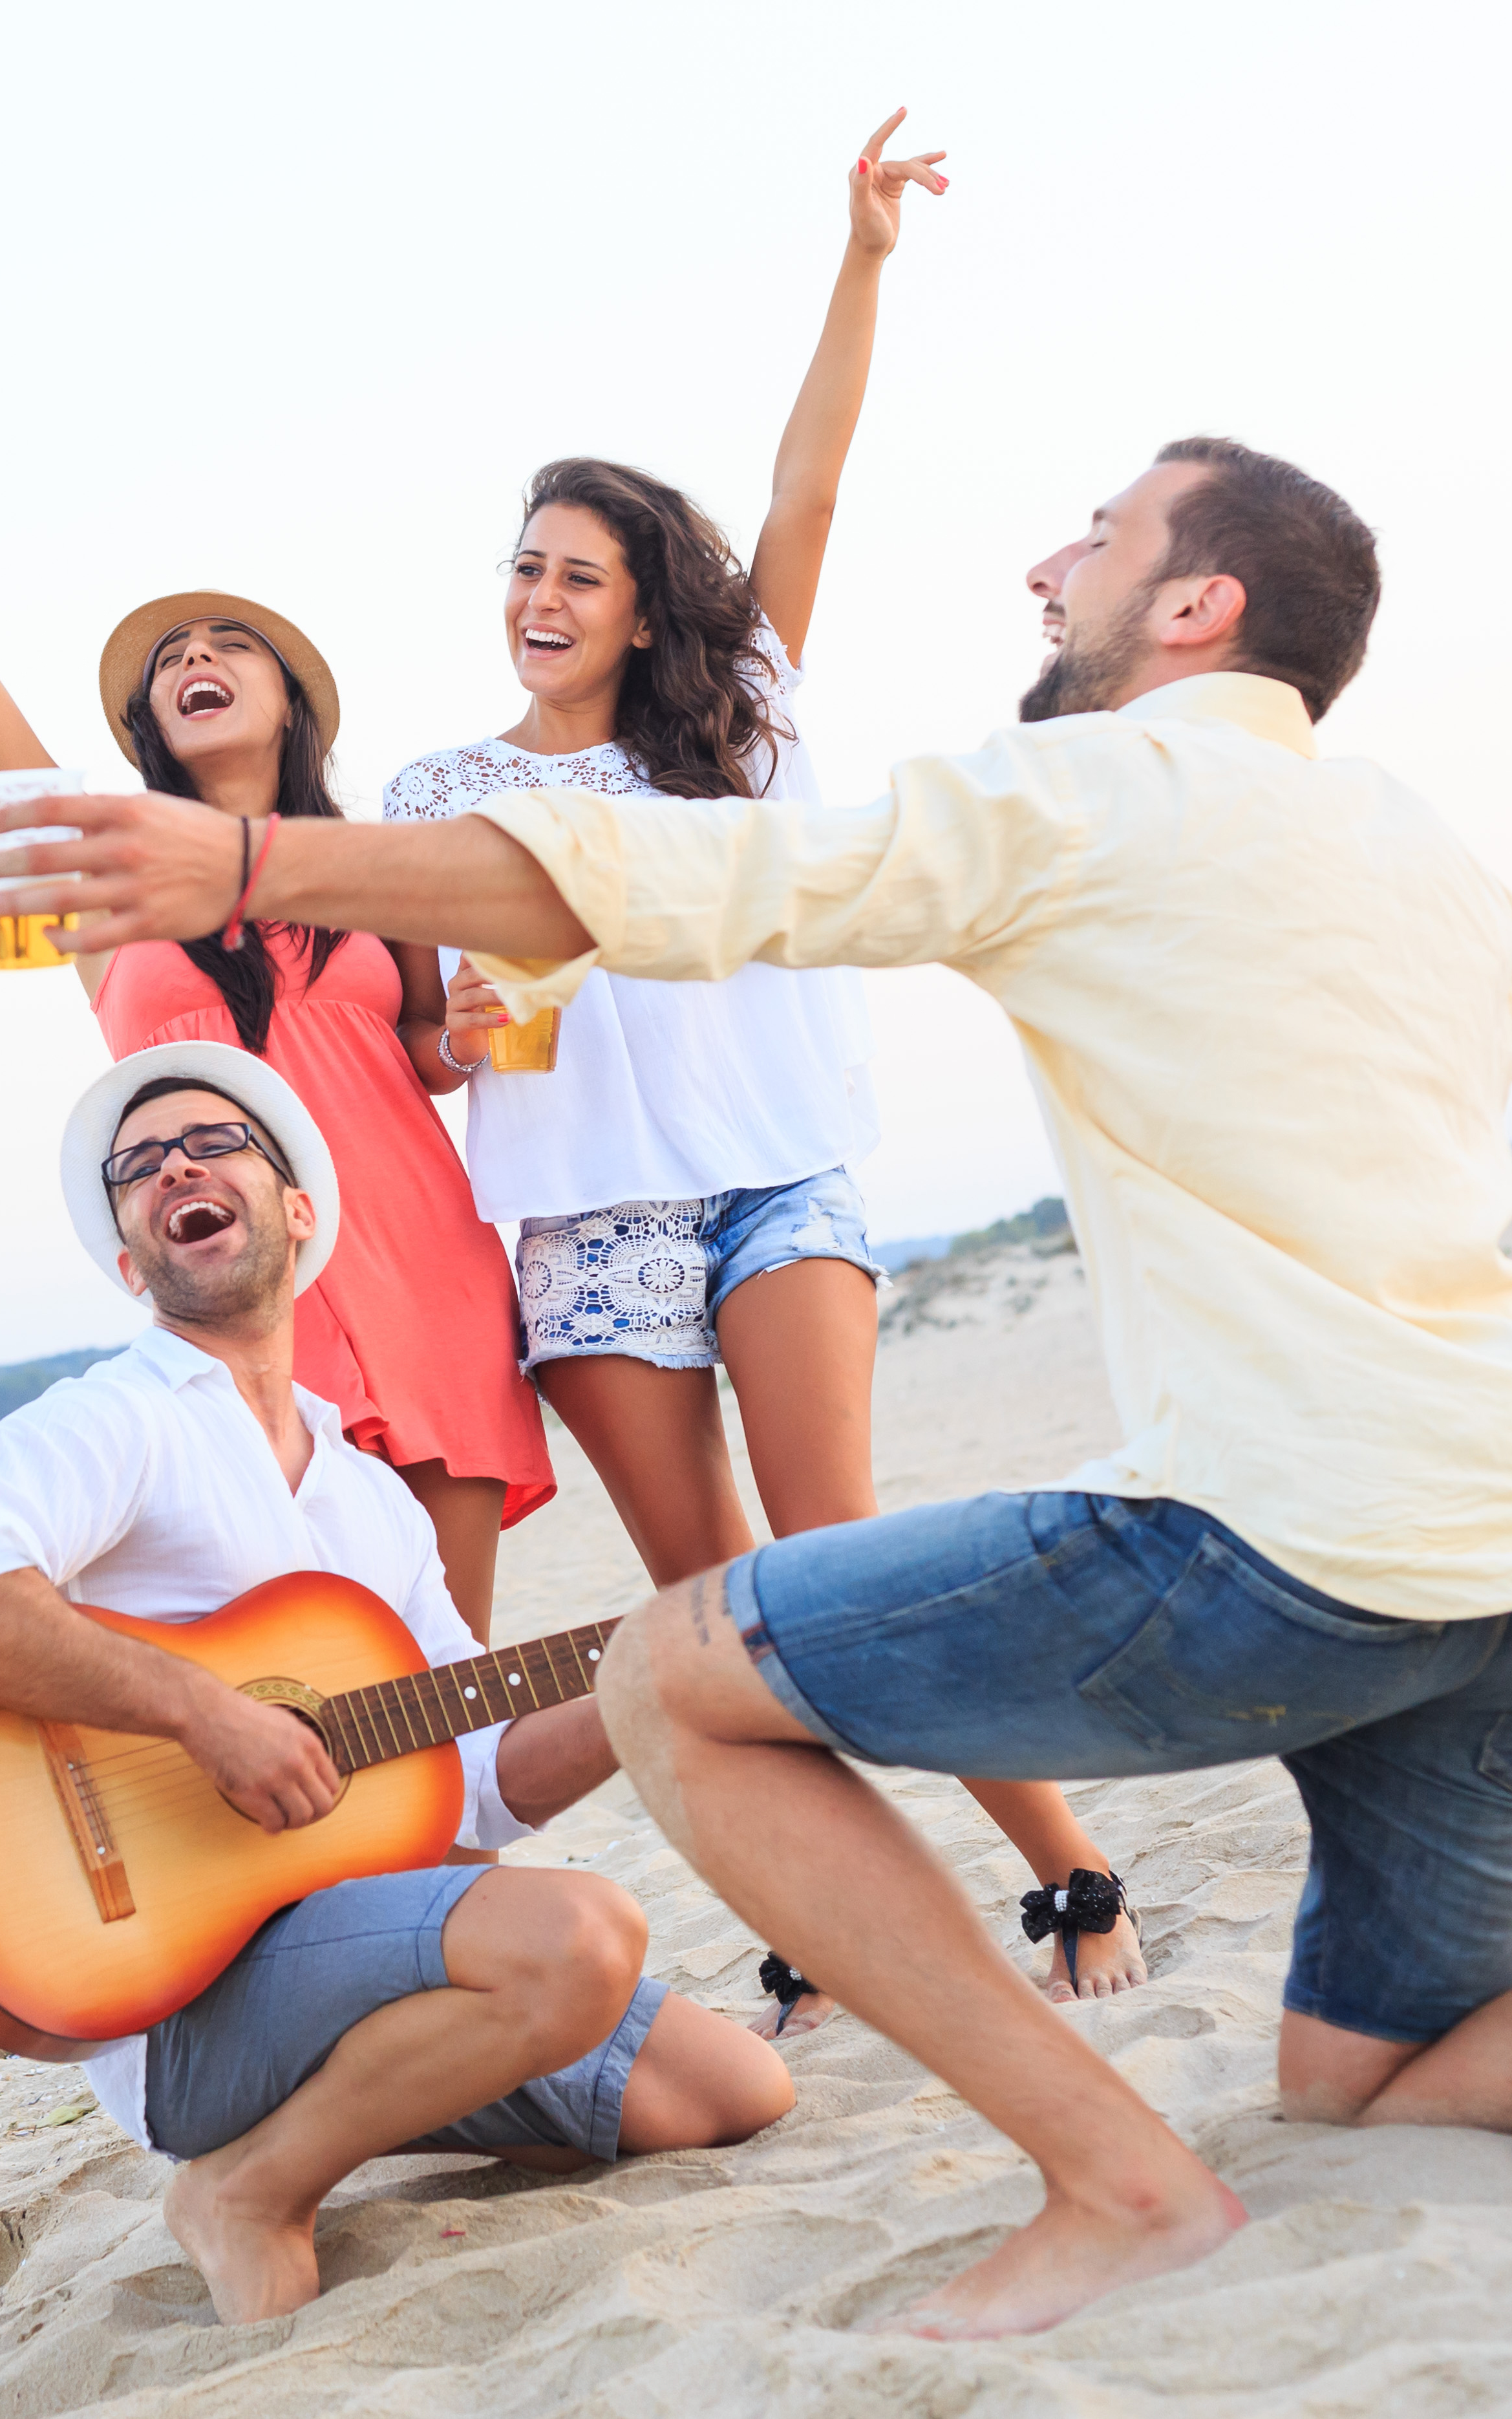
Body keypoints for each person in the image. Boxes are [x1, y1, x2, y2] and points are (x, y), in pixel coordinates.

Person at [0, 438, 1512, 2338]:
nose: (1050, 567)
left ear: (1196, 604)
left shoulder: (1083, 793)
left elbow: (691, 880)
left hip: (1287, 1533)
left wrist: (252, 868)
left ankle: (1118, 2182)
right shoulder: (1405, 836)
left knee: (677, 1668)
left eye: (1099, 539)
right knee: (1375, 2073)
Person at [385, 111, 1144, 2014]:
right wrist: (457, 1033)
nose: (541, 597)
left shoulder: (740, 711)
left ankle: (1066, 1868)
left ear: (644, 602)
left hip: (776, 1170)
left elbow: (809, 479)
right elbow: (424, 1034)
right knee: (721, 1610)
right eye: (523, 567)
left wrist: (864, 256)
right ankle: (820, 1916)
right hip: (586, 1221)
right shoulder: (436, 786)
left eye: (580, 574)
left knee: (837, 1547)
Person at [0, 1042, 793, 2323]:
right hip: (176, 1993)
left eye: (213, 1144)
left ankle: (371, 2098)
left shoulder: (370, 1496)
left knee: (736, 2087)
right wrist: (202, 1713)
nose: (174, 1168)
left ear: (298, 1210)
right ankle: (246, 2186)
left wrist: (647, 1679)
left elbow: (477, 1777)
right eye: (139, 1167)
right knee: (579, 1935)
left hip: (353, 1953)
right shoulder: (119, 1418)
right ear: (131, 1260)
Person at [0, 331, 553, 1642]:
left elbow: (428, 1049)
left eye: (228, 643)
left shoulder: (373, 865)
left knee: (438, 1671)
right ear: (153, 723)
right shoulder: (106, 880)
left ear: (289, 701)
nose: (192, 656)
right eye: (170, 657)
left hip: (423, 1269)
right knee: (282, 1654)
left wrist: (474, 1039)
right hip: (228, 1282)